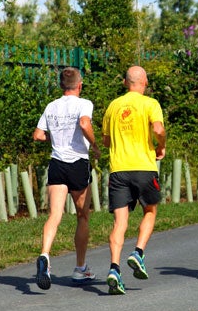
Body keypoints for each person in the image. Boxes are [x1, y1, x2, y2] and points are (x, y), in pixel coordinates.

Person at [32, 67, 100, 290]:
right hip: (78, 162)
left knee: (55, 214)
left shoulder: (51, 106)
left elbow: (38, 135)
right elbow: (84, 123)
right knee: (82, 216)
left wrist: (56, 137)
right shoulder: (84, 103)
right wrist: (95, 146)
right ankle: (80, 269)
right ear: (79, 85)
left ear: (62, 86)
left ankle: (45, 255)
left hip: (57, 164)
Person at [101, 65, 166, 295]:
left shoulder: (113, 106)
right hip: (144, 168)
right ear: (145, 83)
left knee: (120, 222)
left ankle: (114, 269)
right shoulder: (150, 104)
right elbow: (158, 128)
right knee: (150, 210)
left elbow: (106, 141)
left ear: (125, 83)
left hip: (118, 170)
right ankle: (138, 252)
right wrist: (161, 145)